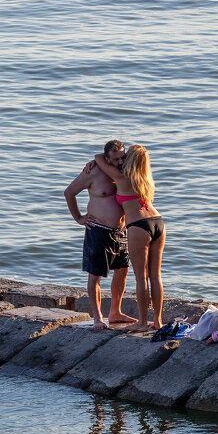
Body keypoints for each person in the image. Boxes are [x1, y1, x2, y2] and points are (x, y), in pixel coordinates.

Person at [65, 140, 137, 330]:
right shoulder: (93, 171)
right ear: (106, 158)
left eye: (123, 157)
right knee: (95, 275)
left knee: (122, 271)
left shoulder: (125, 169)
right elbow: (69, 192)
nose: (121, 161)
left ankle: (115, 312)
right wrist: (78, 218)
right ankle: (98, 317)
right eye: (116, 159)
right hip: (98, 229)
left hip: (121, 231)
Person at [94, 144, 165, 331]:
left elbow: (98, 158)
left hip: (139, 226)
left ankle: (142, 323)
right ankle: (157, 321)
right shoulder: (146, 179)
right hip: (158, 222)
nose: (122, 160)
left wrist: (95, 160)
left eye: (125, 156)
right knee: (156, 276)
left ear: (130, 159)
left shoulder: (121, 176)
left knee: (141, 278)